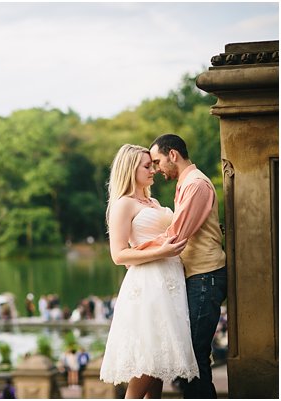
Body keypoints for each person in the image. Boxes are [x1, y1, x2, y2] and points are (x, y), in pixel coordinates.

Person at [99, 144, 199, 398]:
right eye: (147, 166)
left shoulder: (152, 201)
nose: (153, 169)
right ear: (130, 169)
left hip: (170, 283)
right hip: (148, 285)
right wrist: (161, 253)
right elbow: (119, 255)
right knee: (149, 361)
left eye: (153, 164)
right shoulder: (124, 204)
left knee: (160, 367)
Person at [137, 133, 227, 398]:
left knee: (193, 357)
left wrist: (136, 253)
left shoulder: (196, 185)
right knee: (188, 357)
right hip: (197, 278)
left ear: (173, 154)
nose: (155, 168)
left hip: (205, 277)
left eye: (157, 161)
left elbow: (176, 236)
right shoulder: (186, 184)